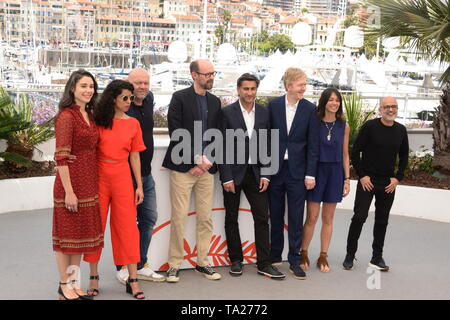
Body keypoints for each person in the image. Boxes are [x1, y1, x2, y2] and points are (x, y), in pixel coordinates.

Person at [84, 80, 146, 299]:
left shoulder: (133, 124)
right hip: (99, 178)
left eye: (131, 97)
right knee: (96, 228)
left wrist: (139, 185)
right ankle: (93, 277)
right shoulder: (98, 122)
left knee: (128, 229)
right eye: (125, 98)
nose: (130, 102)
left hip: (122, 179)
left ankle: (133, 279)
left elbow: (135, 155)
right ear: (113, 98)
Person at [219, 73, 285, 280]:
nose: (249, 93)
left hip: (257, 173)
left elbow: (268, 144)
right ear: (238, 90)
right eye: (245, 89)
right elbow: (220, 145)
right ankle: (236, 260)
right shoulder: (226, 113)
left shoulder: (265, 113)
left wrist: (266, 172)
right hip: (233, 173)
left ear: (257, 90)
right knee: (231, 218)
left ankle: (264, 263)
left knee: (262, 218)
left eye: (252, 89)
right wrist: (226, 176)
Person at [162, 59, 222, 283]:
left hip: (207, 168)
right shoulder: (179, 98)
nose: (211, 77)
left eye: (213, 73)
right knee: (179, 218)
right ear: (194, 75)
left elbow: (219, 134)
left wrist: (208, 161)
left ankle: (203, 262)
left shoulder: (215, 101)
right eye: (207, 74)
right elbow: (175, 131)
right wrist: (196, 160)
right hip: (183, 168)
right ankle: (174, 265)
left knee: (205, 217)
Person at [53, 69, 104, 300]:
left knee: (79, 238)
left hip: (88, 182)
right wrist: (69, 192)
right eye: (83, 86)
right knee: (66, 238)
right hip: (70, 184)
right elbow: (61, 157)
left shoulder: (90, 115)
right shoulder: (66, 116)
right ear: (72, 88)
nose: (88, 90)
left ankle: (74, 283)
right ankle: (64, 285)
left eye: (91, 86)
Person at [343, 96, 409, 272]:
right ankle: (350, 254)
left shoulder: (401, 130)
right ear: (380, 109)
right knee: (359, 217)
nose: (390, 109)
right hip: (368, 181)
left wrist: (398, 178)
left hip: (388, 183)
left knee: (382, 220)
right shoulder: (370, 127)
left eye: (394, 106)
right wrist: (362, 175)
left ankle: (377, 257)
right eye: (386, 106)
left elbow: (404, 157)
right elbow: (356, 152)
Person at [268, 67, 319, 280]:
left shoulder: (310, 109)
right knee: (276, 215)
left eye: (305, 85)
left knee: (296, 217)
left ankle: (295, 260)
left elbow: (313, 144)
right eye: (300, 85)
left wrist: (310, 174)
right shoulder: (273, 106)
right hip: (275, 170)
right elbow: (265, 138)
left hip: (298, 172)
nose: (304, 88)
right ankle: (274, 256)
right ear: (288, 86)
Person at [115, 68, 165, 283]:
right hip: (125, 177)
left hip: (146, 175)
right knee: (125, 223)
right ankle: (123, 268)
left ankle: (140, 262)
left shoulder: (148, 99)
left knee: (148, 219)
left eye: (146, 82)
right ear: (128, 84)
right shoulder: (120, 107)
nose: (143, 87)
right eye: (138, 83)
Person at [300, 88, 350, 273]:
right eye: (330, 100)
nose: (334, 103)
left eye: (337, 100)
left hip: (335, 174)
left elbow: (345, 154)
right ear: (324, 102)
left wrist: (347, 179)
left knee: (328, 218)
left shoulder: (344, 125)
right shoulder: (315, 123)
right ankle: (303, 252)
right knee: (311, 217)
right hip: (317, 172)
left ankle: (323, 255)